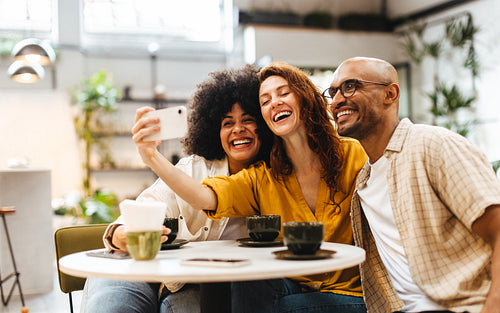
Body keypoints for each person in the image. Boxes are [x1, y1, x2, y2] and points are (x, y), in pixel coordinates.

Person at [138, 61, 368, 313]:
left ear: (305, 98)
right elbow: (204, 197)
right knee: (247, 278)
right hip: (296, 284)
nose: (275, 103)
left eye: (283, 93)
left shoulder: (352, 154)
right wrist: (152, 157)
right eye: (265, 100)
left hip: (351, 292)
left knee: (284, 307)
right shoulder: (264, 175)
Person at [80, 64, 274, 313]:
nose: (238, 129)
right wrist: (119, 235)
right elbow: (146, 207)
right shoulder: (194, 169)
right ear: (215, 130)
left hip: (197, 285)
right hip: (142, 270)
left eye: (248, 120)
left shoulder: (276, 178)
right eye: (227, 123)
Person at [326, 56, 500, 313]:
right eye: (332, 92)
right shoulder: (363, 182)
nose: (338, 99)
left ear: (390, 94)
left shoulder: (433, 145)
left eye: (351, 86)